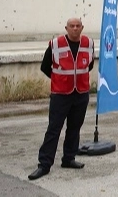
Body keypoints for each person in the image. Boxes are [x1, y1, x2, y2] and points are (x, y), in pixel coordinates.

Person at [28, 18, 94, 181]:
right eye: (72, 26)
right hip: (60, 95)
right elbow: (45, 67)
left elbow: (90, 65)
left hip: (80, 93)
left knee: (74, 128)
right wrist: (59, 80)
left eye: (78, 26)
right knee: (54, 129)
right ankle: (44, 165)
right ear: (66, 28)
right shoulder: (56, 44)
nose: (75, 28)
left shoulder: (89, 43)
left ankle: (69, 158)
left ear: (82, 28)